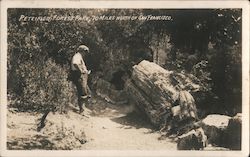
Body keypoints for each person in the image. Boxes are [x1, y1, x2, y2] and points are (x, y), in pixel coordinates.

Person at [71, 45, 91, 113]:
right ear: (82, 51)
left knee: (86, 92)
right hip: (78, 75)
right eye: (85, 52)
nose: (85, 54)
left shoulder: (79, 56)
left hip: (81, 75)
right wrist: (81, 71)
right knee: (82, 92)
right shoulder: (77, 56)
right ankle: (81, 109)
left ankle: (82, 108)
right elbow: (75, 64)